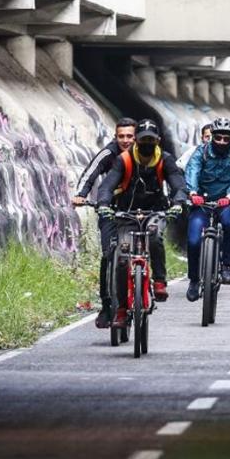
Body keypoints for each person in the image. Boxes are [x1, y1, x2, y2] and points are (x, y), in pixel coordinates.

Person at [94, 119, 187, 322]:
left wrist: (178, 202)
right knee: (120, 258)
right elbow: (107, 186)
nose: (146, 143)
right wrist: (103, 203)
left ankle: (160, 281)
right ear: (136, 140)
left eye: (151, 140)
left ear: (158, 141)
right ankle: (120, 309)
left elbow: (178, 185)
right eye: (143, 139)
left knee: (154, 237)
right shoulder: (124, 160)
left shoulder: (165, 159)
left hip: (155, 212)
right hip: (126, 214)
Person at [71, 117, 136, 329]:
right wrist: (81, 194)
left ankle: (144, 281)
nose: (125, 140)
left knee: (143, 246)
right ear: (115, 137)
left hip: (136, 210)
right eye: (121, 136)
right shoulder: (109, 153)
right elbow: (90, 173)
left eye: (129, 136)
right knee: (109, 255)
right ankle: (108, 305)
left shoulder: (146, 153)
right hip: (110, 209)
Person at [184, 117, 230, 299]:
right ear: (212, 137)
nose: (221, 142)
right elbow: (193, 170)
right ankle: (194, 279)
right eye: (218, 138)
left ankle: (227, 266)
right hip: (202, 202)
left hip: (225, 201)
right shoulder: (201, 151)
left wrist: (229, 196)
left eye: (226, 139)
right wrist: (193, 192)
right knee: (194, 240)